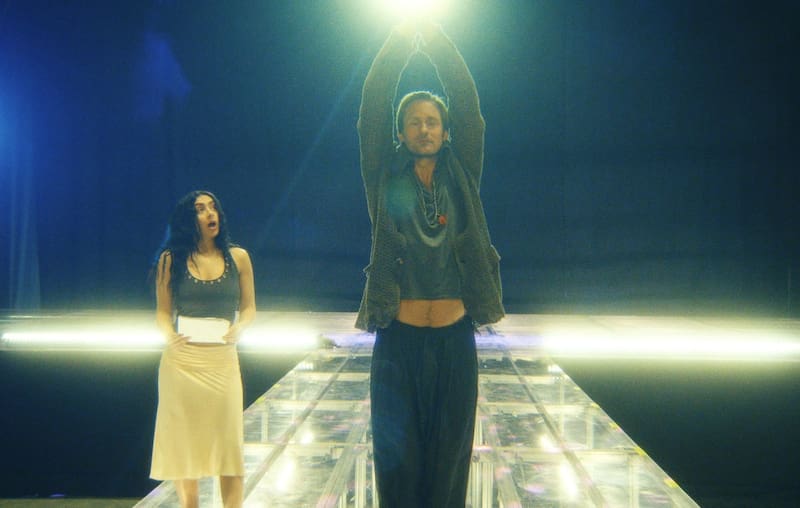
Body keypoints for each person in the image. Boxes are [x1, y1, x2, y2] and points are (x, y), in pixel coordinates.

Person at [356, 21, 504, 508]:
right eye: (415, 122)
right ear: (400, 132)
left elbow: (469, 106)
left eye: (433, 121)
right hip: (397, 343)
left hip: (453, 342)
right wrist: (400, 41)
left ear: (446, 130)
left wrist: (437, 40)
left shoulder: (463, 173)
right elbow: (372, 108)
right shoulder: (383, 175)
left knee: (449, 464)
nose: (425, 128)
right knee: (396, 464)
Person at [149, 190, 256, 508]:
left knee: (229, 443)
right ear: (188, 219)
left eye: (213, 207)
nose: (210, 214)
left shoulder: (239, 257)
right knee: (184, 443)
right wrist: (169, 335)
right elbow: (162, 313)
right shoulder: (171, 259)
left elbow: (249, 308)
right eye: (200, 209)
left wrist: (241, 327)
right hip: (182, 362)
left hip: (222, 360)